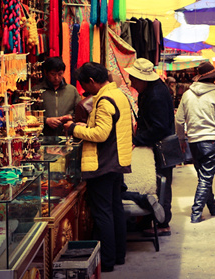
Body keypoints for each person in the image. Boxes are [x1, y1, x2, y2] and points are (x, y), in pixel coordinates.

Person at [63, 62, 132, 272]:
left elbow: (101, 134)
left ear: (92, 81)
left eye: (85, 85)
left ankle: (108, 262)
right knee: (115, 209)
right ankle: (119, 256)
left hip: (103, 163)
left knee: (103, 213)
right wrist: (87, 126)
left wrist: (74, 128)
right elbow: (109, 129)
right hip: (117, 161)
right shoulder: (119, 94)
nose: (85, 90)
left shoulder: (104, 99)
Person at [126, 58, 176, 235]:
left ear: (142, 79)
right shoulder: (152, 90)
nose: (131, 82)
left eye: (133, 79)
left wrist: (138, 140)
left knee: (161, 184)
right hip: (158, 146)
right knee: (156, 183)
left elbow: (159, 127)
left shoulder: (155, 94)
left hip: (162, 147)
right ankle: (151, 220)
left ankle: (163, 224)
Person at [175, 62, 215, 223]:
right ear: (212, 78)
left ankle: (212, 205)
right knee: (205, 178)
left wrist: (181, 140)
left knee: (204, 176)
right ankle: (196, 212)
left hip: (193, 142)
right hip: (210, 142)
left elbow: (179, 121)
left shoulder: (187, 94)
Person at [35, 56, 81, 137]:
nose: (56, 78)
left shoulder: (72, 90)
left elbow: (80, 114)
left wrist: (70, 118)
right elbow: (29, 115)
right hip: (43, 137)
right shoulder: (37, 90)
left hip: (67, 137)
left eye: (60, 74)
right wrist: (46, 120)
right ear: (45, 73)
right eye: (53, 74)